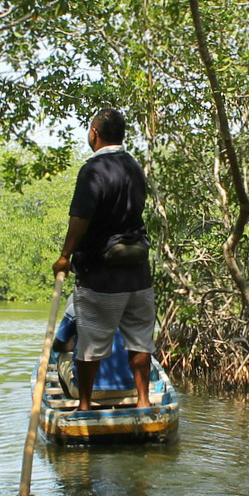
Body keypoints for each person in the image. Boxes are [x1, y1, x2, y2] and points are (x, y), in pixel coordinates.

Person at [51, 108, 155, 410]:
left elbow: (80, 218)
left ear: (94, 133)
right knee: (140, 341)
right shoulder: (134, 167)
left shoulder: (92, 170)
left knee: (90, 345)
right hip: (138, 274)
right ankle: (144, 401)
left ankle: (84, 406)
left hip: (100, 275)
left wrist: (65, 256)